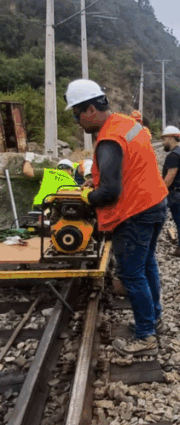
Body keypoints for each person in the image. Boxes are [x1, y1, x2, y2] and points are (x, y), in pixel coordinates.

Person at [65, 78, 168, 357]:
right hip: (156, 203)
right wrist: (95, 182)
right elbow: (127, 168)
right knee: (147, 265)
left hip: (135, 212)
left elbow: (110, 193)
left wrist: (88, 197)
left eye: (76, 114)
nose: (77, 122)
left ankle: (146, 335)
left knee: (132, 274)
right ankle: (155, 317)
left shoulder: (109, 139)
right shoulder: (126, 123)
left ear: (89, 110)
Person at [161, 126, 180, 256]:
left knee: (179, 220)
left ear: (170, 138)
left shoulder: (173, 156)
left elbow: (170, 177)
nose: (163, 143)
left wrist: (159, 193)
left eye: (164, 139)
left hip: (176, 194)